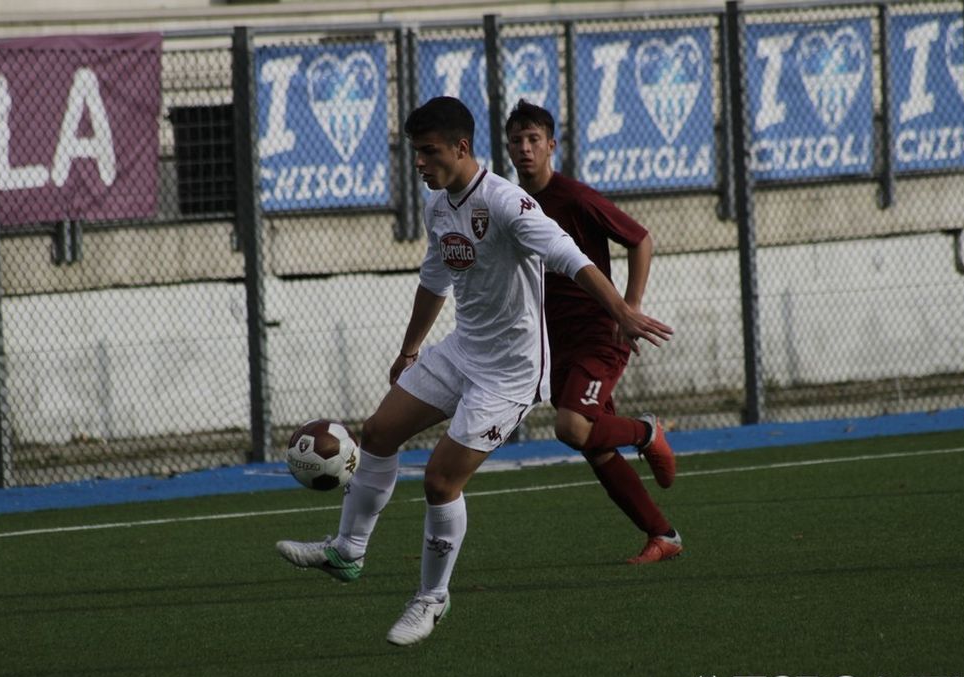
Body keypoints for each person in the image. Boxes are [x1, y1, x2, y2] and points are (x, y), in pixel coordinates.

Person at [275, 96, 673, 646]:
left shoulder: (507, 203)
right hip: (463, 350)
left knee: (440, 481)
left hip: (510, 373)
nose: (419, 163)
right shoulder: (441, 207)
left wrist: (622, 311)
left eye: (428, 152)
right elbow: (435, 280)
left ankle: (431, 599)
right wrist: (410, 349)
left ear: (461, 148)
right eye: (415, 152)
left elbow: (570, 257)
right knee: (378, 433)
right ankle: (348, 550)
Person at [504, 100, 682, 565]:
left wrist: (630, 307)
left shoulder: (576, 199)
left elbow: (640, 238)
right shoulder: (509, 203)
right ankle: (663, 535)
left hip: (600, 334)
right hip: (554, 341)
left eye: (534, 140)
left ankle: (646, 431)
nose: (525, 149)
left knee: (572, 426)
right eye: (517, 141)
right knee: (593, 445)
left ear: (551, 146)